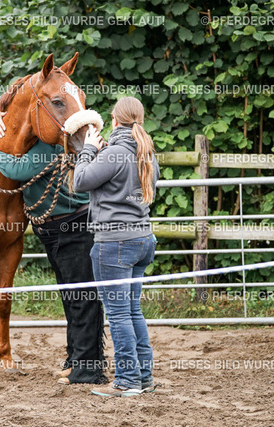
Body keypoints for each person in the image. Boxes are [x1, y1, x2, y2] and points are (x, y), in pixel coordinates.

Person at [0, 95, 107, 385]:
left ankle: (88, 368)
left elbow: (17, 170)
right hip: (58, 230)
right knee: (73, 298)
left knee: (81, 299)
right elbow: (10, 98)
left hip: (72, 229)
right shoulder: (54, 140)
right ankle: (77, 360)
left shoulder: (50, 146)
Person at [73, 96, 160, 398]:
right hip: (142, 239)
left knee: (119, 314)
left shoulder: (114, 154)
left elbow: (80, 181)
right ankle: (144, 377)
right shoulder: (146, 152)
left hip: (114, 244)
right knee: (132, 311)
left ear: (114, 120)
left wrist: (87, 150)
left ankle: (126, 380)